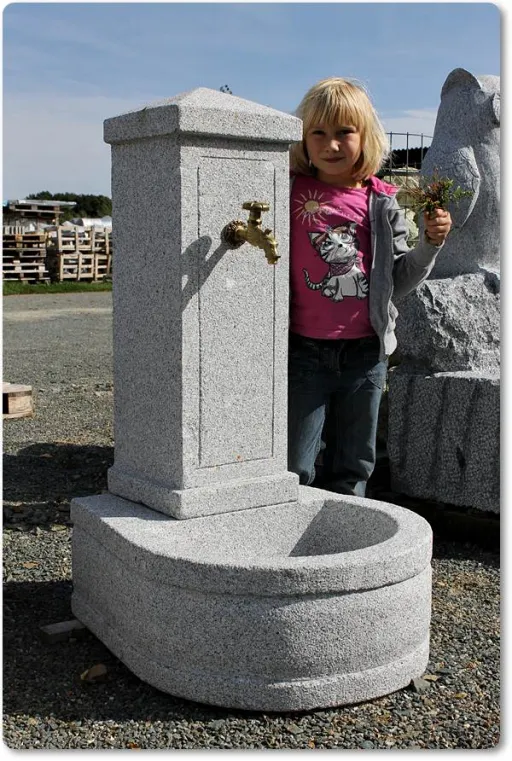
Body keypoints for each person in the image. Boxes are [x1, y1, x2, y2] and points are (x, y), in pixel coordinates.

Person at [287, 77, 452, 497]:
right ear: (302, 139)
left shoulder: (380, 201)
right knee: (293, 464)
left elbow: (398, 280)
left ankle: (344, 547)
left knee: (355, 463)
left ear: (366, 137)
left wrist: (430, 244)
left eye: (345, 131)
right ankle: (288, 546)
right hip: (301, 349)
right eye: (318, 133)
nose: (332, 144)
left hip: (366, 353)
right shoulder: (288, 189)